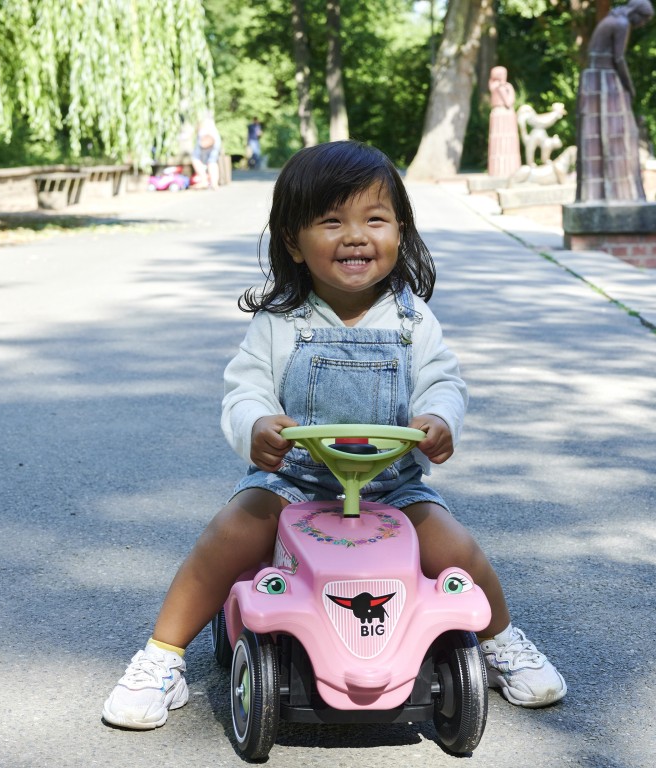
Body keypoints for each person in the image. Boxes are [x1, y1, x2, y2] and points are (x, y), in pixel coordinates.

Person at [102, 140, 567, 730]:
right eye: (332, 222)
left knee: (457, 549)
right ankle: (161, 658)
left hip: (391, 487)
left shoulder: (410, 319)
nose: (355, 236)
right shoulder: (280, 321)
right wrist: (257, 426)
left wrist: (439, 418)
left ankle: (500, 642)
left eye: (375, 219)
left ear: (401, 231)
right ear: (294, 242)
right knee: (228, 534)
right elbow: (244, 389)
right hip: (294, 482)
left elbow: (442, 379)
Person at [576, 0, 655, 202]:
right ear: (637, 14)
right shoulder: (621, 24)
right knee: (615, 132)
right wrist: (629, 85)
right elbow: (619, 58)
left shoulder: (612, 18)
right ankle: (621, 193)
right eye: (644, 20)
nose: (642, 24)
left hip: (594, 77)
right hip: (605, 78)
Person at [487, 66, 521, 178]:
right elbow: (508, 102)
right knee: (503, 144)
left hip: (503, 115)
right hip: (502, 115)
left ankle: (507, 170)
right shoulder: (500, 87)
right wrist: (508, 90)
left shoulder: (499, 86)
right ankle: (505, 171)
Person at [191, 117, 222, 190]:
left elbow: (212, 161)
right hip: (206, 139)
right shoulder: (202, 135)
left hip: (211, 141)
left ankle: (213, 183)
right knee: (198, 159)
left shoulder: (216, 143)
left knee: (211, 161)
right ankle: (206, 181)